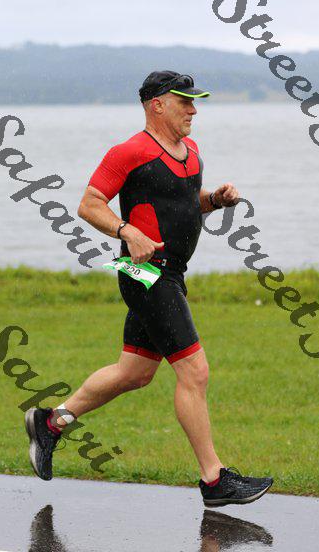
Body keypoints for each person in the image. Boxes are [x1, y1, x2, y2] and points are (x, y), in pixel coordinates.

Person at [24, 70, 273, 506]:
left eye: (195, 102)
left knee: (134, 374)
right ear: (157, 104)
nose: (193, 110)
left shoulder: (191, 152)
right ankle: (214, 481)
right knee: (194, 372)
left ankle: (49, 424)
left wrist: (215, 200)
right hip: (146, 275)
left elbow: (184, 203)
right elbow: (89, 204)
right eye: (185, 102)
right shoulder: (129, 151)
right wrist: (126, 231)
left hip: (171, 274)